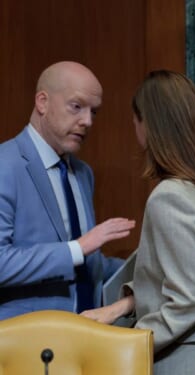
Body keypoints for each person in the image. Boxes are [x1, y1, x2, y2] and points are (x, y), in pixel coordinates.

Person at [81, 70, 195, 374]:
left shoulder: (170, 197)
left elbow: (190, 299)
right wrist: (122, 306)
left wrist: (126, 344)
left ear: (147, 124)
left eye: (135, 119)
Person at [0, 61, 135, 319]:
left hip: (85, 341)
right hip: (23, 346)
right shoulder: (4, 166)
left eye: (94, 112)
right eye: (77, 107)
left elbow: (83, 263)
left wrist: (142, 267)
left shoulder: (83, 174)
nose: (87, 121)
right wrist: (77, 248)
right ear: (42, 102)